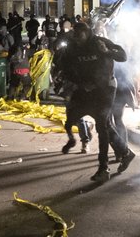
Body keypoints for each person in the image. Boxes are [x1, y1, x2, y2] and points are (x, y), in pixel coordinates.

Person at [57, 21, 135, 182]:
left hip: (105, 88)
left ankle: (103, 167)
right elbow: (63, 66)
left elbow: (123, 56)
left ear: (87, 33)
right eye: (75, 36)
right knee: (73, 114)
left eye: (80, 36)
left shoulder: (100, 42)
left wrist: (107, 52)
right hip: (84, 88)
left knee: (102, 123)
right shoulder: (73, 46)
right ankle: (125, 153)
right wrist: (76, 81)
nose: (77, 39)